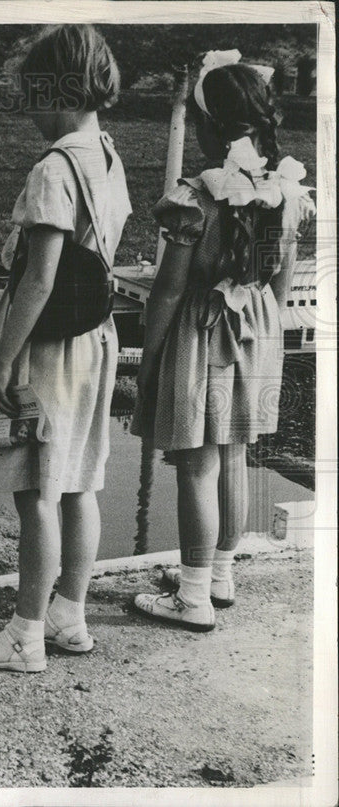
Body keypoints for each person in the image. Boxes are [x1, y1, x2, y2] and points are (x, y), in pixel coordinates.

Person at [0, 24, 130, 672]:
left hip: (50, 346)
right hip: (94, 342)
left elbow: (40, 276)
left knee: (35, 492)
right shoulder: (106, 156)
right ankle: (69, 613)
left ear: (57, 89)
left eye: (32, 95)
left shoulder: (55, 169)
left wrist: (1, 361)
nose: (28, 110)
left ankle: (25, 635)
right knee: (80, 482)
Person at [130, 51, 315, 630]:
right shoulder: (286, 189)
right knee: (235, 453)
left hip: (201, 330)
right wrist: (264, 332)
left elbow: (167, 290)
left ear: (209, 126)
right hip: (257, 328)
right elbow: (282, 278)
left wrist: (151, 353)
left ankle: (190, 597)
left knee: (196, 466)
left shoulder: (197, 197)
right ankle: (219, 574)